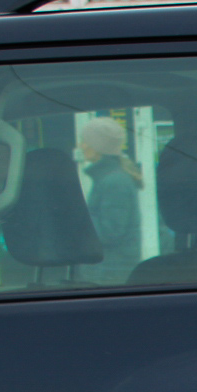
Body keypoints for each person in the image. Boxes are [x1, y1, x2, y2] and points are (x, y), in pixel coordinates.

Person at [78, 117, 142, 284]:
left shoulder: (115, 182)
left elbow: (111, 233)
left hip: (111, 274)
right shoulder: (108, 178)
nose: (81, 145)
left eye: (85, 141)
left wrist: (80, 216)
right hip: (108, 270)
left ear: (99, 147)